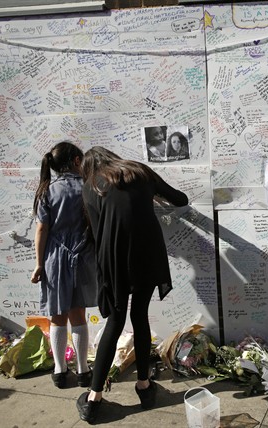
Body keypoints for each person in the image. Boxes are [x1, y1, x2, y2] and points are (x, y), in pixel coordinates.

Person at [76, 146, 188, 423]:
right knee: (140, 316)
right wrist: (152, 195)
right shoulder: (139, 171)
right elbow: (180, 199)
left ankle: (93, 398)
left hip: (113, 260)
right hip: (146, 255)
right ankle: (144, 386)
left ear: (89, 167)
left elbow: (98, 229)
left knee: (115, 323)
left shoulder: (91, 187)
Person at [31, 141, 97, 390]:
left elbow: (41, 229)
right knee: (78, 315)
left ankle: (60, 371)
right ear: (77, 161)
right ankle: (83, 371)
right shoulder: (88, 188)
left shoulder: (47, 190)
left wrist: (39, 265)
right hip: (83, 256)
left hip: (55, 259)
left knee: (57, 316)